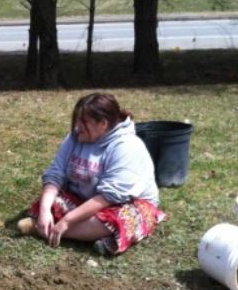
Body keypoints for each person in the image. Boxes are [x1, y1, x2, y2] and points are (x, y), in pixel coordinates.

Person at [17, 93, 165, 256]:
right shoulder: (74, 137)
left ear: (103, 123)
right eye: (77, 120)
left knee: (122, 219)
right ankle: (70, 230)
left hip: (125, 203)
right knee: (49, 202)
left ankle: (44, 229)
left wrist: (67, 220)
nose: (78, 126)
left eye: (84, 122)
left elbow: (110, 196)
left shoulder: (127, 146)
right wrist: (45, 210)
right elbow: (55, 174)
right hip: (85, 199)